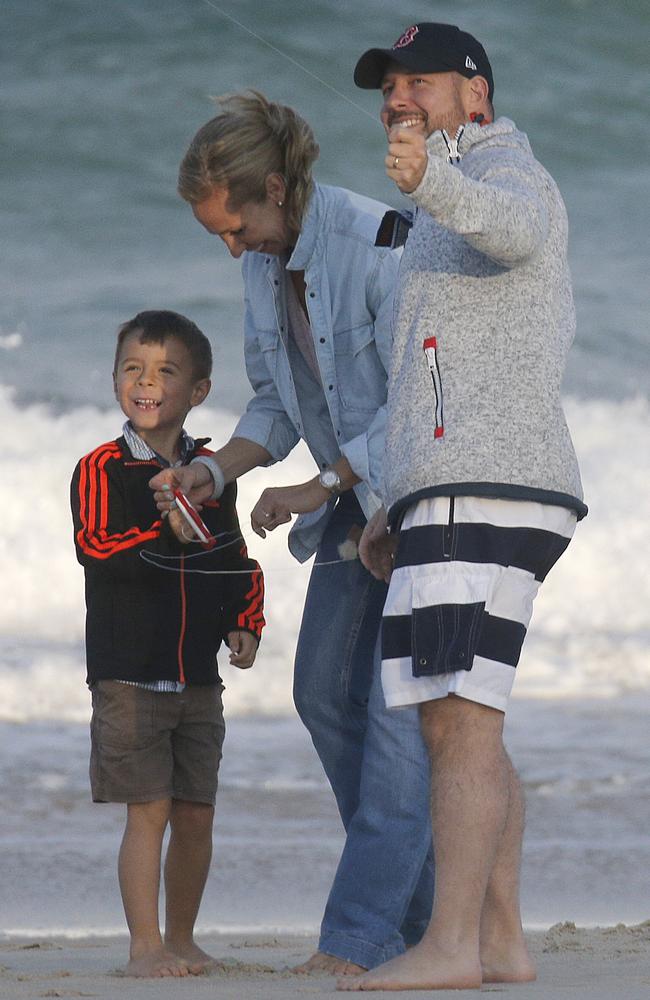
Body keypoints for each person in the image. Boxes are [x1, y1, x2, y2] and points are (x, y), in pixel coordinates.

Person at [149, 92, 434, 974]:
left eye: (238, 229)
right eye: (220, 239)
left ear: (275, 186)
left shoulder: (380, 239)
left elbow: (413, 400)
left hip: (420, 491)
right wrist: (217, 469)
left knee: (393, 719)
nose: (234, 250)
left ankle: (357, 934)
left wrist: (323, 482)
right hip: (350, 499)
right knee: (319, 695)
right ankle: (420, 916)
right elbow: (274, 401)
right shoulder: (260, 264)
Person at [339, 22, 588, 992]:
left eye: (420, 82)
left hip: (487, 479)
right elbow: (422, 372)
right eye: (388, 86)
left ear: (473, 94)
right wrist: (387, 494)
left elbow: (517, 227)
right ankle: (497, 941)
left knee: (456, 719)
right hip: (457, 483)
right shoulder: (448, 201)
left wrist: (428, 182)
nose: (398, 97)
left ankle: (449, 946)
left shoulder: (503, 170)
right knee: (466, 718)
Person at [70, 310, 264, 978]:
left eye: (165, 371)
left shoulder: (212, 477)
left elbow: (239, 561)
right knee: (147, 811)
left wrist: (247, 621)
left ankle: (182, 939)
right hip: (127, 674)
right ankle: (143, 948)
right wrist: (164, 531)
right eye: (132, 369)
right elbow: (95, 550)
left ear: (198, 391)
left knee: (197, 812)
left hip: (198, 678)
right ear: (115, 380)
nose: (145, 382)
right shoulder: (102, 467)